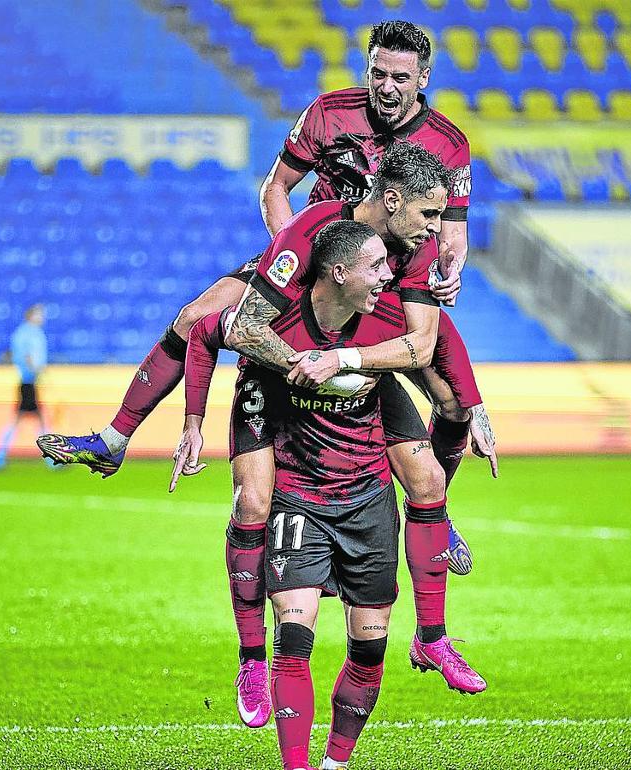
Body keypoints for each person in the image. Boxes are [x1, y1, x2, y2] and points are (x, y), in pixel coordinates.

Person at [37, 20, 494, 482]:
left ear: (424, 78)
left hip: (389, 280)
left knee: (454, 402)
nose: (387, 88)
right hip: (311, 255)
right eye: (378, 74)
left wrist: (450, 269)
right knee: (195, 316)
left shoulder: (449, 143)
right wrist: (295, 254)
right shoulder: (329, 112)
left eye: (400, 77)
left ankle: (439, 513)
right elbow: (276, 187)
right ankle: (114, 440)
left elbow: (452, 233)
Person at [170, 144, 489, 731]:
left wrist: (469, 403)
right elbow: (228, 327)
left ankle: (432, 636)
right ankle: (250, 658)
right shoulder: (317, 233)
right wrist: (196, 418)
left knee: (427, 478)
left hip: (352, 369)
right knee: (252, 502)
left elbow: (427, 342)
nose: (437, 231)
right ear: (392, 202)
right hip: (280, 375)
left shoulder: (415, 253)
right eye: (428, 215)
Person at [183, 221, 407, 770]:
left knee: (370, 647)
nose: (389, 274)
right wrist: (192, 421)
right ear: (338, 272)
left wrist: (468, 410)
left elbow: (432, 355)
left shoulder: (394, 317)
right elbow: (203, 328)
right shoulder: (275, 315)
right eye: (376, 266)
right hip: (300, 496)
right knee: (294, 634)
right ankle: (275, 714)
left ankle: (335, 763)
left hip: (367, 497)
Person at [0, 304, 49, 470]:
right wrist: (38, 371)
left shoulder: (28, 333)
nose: (42, 318)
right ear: (31, 315)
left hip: (28, 382)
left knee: (33, 419)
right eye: (40, 314)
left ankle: (0, 455)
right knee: (30, 420)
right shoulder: (27, 333)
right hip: (28, 382)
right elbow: (27, 356)